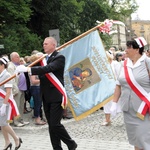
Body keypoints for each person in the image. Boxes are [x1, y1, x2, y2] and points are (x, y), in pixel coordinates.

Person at [16, 37, 77, 150]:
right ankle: (57, 148)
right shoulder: (44, 58)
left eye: (46, 44)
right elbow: (35, 67)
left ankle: (71, 143)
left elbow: (49, 68)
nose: (43, 45)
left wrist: (29, 70)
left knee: (55, 124)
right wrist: (22, 68)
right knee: (51, 126)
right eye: (43, 44)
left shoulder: (59, 57)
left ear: (53, 45)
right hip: (45, 96)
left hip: (56, 95)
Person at [110, 37, 150, 150]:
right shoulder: (124, 64)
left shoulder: (147, 62)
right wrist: (114, 103)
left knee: (144, 139)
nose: (125, 50)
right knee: (136, 140)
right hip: (128, 109)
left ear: (137, 49)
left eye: (129, 47)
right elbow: (118, 85)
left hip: (144, 109)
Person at [0, 56, 22, 150]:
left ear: (2, 65)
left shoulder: (7, 75)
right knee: (2, 124)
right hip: (0, 102)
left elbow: (8, 91)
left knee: (4, 123)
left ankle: (16, 139)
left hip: (6, 102)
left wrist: (4, 105)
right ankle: (7, 141)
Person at [7, 52, 29, 127]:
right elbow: (11, 79)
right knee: (16, 105)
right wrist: (14, 90)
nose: (19, 58)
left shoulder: (19, 65)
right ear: (12, 58)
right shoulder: (11, 67)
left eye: (19, 56)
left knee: (21, 105)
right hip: (17, 89)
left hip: (22, 88)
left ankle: (21, 119)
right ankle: (16, 121)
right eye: (17, 57)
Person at [101, 50, 122, 126]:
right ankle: (107, 119)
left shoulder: (115, 64)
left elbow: (119, 75)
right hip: (105, 87)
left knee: (120, 102)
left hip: (115, 87)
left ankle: (128, 117)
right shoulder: (102, 65)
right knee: (106, 103)